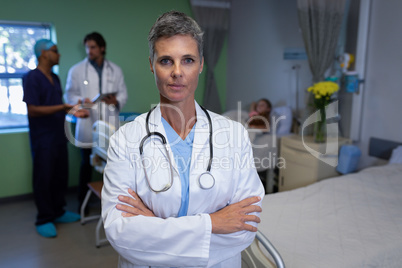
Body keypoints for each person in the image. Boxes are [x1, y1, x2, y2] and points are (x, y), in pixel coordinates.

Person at [101, 11, 265, 267]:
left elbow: (244, 226)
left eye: (187, 60)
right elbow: (121, 234)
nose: (177, 72)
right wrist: (212, 223)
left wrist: (155, 226)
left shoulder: (234, 135)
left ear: (201, 64)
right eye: (166, 61)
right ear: (151, 64)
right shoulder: (125, 139)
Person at [23, 39, 89, 238]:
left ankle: (58, 211)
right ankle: (44, 218)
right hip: (43, 138)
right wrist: (63, 107)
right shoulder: (31, 78)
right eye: (55, 51)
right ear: (43, 53)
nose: (58, 54)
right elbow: (33, 110)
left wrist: (73, 112)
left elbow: (58, 106)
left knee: (60, 174)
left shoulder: (55, 78)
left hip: (58, 135)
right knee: (44, 176)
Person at [64, 32, 128, 212]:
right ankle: (82, 203)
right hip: (87, 121)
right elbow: (69, 94)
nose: (89, 51)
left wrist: (116, 100)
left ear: (102, 48)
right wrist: (81, 100)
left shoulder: (115, 69)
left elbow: (123, 93)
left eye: (93, 47)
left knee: (110, 164)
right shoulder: (76, 70)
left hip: (108, 121)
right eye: (87, 47)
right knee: (86, 164)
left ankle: (111, 202)